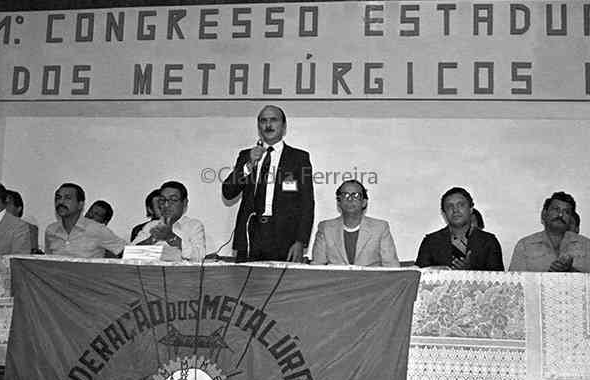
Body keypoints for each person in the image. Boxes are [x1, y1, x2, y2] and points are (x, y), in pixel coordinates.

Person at [222, 105, 314, 262]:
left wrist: (300, 241)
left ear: (284, 126)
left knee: (282, 286)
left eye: (273, 120)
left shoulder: (298, 158)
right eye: (263, 121)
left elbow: (307, 203)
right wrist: (248, 165)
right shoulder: (247, 155)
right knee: (246, 285)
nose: (268, 125)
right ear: (259, 126)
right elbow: (228, 192)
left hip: (284, 236)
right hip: (251, 234)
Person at [311, 180, 399, 267]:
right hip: (337, 280)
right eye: (345, 195)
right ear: (339, 202)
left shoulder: (380, 228)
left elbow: (392, 267)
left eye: (356, 195)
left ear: (364, 202)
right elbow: (317, 267)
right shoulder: (325, 228)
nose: (350, 199)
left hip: (372, 280)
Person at [509, 191, 590, 272]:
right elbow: (516, 284)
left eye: (566, 212)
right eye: (556, 210)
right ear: (544, 214)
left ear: (570, 219)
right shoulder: (525, 245)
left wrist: (570, 270)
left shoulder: (585, 244)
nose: (560, 215)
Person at [416, 187, 504, 270]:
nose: (455, 210)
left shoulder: (489, 242)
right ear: (444, 213)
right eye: (450, 206)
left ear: (471, 209)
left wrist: (471, 271)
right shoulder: (431, 243)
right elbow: (419, 278)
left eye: (461, 205)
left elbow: (499, 282)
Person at [45, 183, 125, 258]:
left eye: (67, 198)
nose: (61, 202)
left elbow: (128, 253)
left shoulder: (97, 229)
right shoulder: (51, 230)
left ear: (80, 205)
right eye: (58, 198)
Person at [133, 181, 205, 261]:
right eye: (162, 200)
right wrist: (152, 239)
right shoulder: (151, 226)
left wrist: (171, 238)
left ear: (184, 203)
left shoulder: (194, 226)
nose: (166, 205)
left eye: (173, 200)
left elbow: (199, 257)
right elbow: (130, 254)